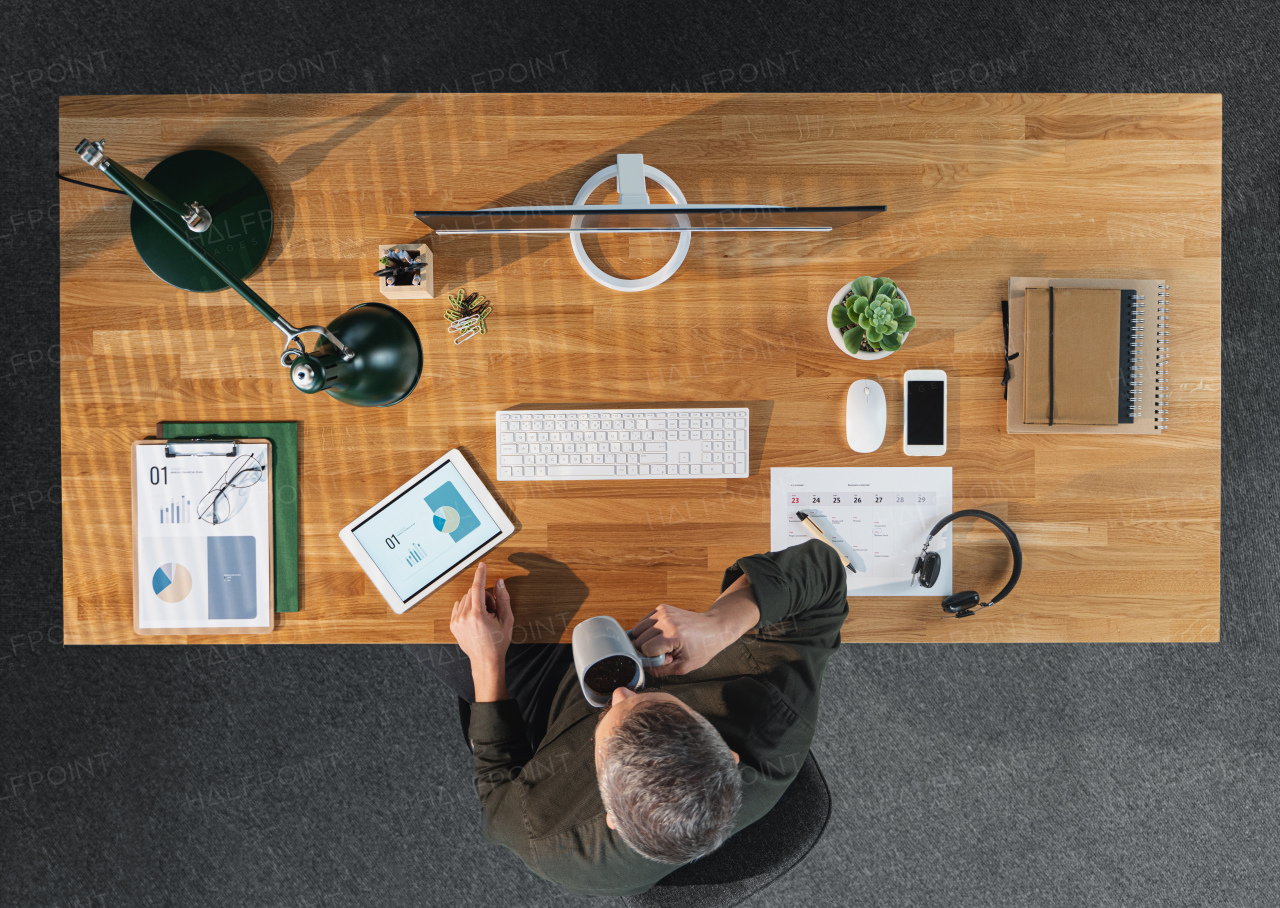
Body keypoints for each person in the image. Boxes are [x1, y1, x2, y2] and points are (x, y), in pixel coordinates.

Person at [409, 539, 847, 897]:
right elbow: (824, 575)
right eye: (661, 704)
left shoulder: (548, 840)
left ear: (611, 818)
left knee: (418, 597)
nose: (620, 692)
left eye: (610, 724)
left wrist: (488, 662)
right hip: (674, 613)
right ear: (727, 756)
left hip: (542, 693)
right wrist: (721, 623)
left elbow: (495, 782)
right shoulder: (776, 724)